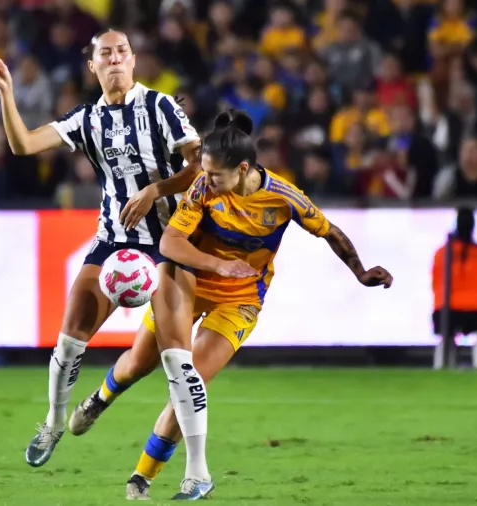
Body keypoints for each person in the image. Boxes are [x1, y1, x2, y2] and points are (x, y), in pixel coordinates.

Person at [67, 111, 394, 500]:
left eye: (215, 175)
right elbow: (170, 243)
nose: (205, 180)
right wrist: (219, 264)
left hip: (240, 299)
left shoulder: (284, 198)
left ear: (242, 170)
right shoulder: (204, 189)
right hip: (186, 284)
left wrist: (359, 271)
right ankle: (102, 397)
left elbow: (330, 232)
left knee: (191, 383)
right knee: (139, 363)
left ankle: (142, 478)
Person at [0, 28, 203, 469]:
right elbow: (23, 144)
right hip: (112, 241)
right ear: (93, 65)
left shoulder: (161, 107)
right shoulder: (85, 119)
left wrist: (154, 190)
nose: (115, 59)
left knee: (177, 358)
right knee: (67, 343)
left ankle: (197, 470)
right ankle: (53, 422)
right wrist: (7, 93)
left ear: (134, 60)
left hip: (168, 241)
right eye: (106, 53)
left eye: (122, 52)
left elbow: (200, 168)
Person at [431, 207, 477, 369]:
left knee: (446, 335)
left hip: (448, 311)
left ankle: (443, 363)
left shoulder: (442, 252)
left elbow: (435, 284)